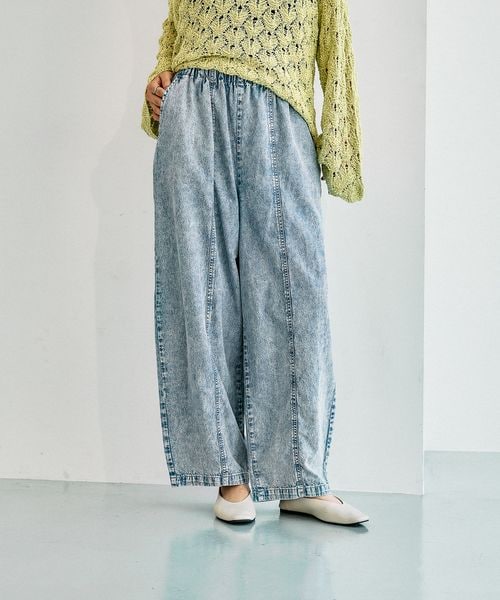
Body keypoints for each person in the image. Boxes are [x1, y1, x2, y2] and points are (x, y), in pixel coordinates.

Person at [141, 0, 369, 526]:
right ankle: (229, 475)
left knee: (296, 293)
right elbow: (174, 34)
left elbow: (335, 45)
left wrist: (340, 149)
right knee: (201, 288)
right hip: (192, 113)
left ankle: (300, 478)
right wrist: (157, 85)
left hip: (282, 116)